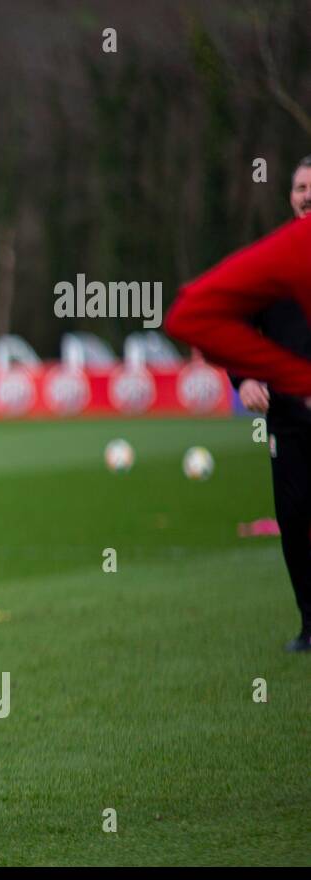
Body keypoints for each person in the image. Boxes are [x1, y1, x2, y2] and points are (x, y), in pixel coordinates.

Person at [164, 156, 311, 652]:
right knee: (293, 519)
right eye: (299, 188)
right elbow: (230, 326)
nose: (306, 195)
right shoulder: (273, 264)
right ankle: (310, 625)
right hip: (288, 418)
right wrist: (244, 378)